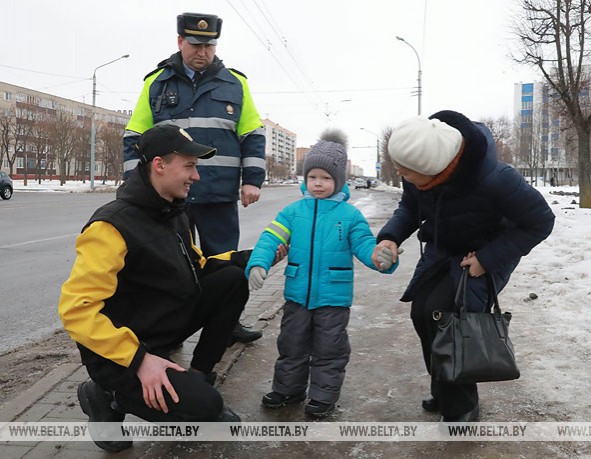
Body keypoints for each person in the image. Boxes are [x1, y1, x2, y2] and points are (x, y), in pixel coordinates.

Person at [59, 125, 250, 452]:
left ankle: (197, 378)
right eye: (189, 166)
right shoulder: (110, 226)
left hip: (159, 328)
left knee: (232, 281)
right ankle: (107, 395)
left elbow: (198, 266)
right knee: (205, 408)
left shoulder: (174, 211)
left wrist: (255, 258)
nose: (197, 177)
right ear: (159, 165)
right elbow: (76, 311)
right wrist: (138, 359)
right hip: (121, 353)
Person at [373, 111, 555, 422]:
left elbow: (540, 222)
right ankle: (444, 386)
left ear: (434, 170)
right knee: (423, 313)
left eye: (407, 171)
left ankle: (462, 406)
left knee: (453, 324)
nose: (402, 175)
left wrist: (487, 259)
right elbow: (410, 207)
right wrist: (391, 236)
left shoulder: (496, 179)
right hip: (443, 249)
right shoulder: (420, 173)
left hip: (486, 254)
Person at [122, 12, 265, 344]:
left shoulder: (236, 83)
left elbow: (253, 136)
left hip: (218, 194)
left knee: (224, 263)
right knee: (169, 266)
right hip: (169, 198)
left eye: (210, 45)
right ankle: (167, 329)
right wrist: (134, 186)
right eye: (196, 44)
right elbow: (134, 137)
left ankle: (227, 324)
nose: (203, 52)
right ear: (180, 42)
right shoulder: (156, 82)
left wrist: (252, 180)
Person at [245, 129, 399, 418]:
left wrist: (380, 258)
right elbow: (270, 238)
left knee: (330, 350)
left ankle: (322, 396)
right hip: (297, 296)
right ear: (305, 179)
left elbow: (365, 245)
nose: (318, 183)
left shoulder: (350, 216)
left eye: (326, 178)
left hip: (333, 298)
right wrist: (258, 263)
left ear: (338, 180)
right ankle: (289, 389)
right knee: (291, 345)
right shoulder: (292, 212)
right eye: (312, 177)